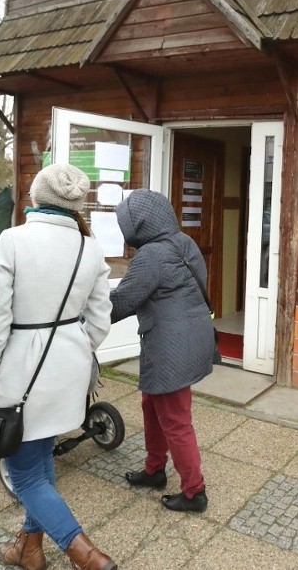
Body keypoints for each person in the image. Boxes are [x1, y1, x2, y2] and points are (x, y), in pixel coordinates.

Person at [0, 163, 116, 570]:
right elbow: (100, 317)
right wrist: (77, 346)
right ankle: (29, 550)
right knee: (41, 456)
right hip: (68, 367)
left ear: (37, 197)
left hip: (20, 368)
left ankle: (84, 553)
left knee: (24, 475)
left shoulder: (13, 240)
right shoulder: (89, 247)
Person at [110, 189, 214, 513]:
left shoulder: (151, 256)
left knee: (175, 418)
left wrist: (80, 310)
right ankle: (155, 469)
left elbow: (122, 301)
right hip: (192, 337)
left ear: (138, 224)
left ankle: (194, 492)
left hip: (171, 346)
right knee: (151, 402)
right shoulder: (185, 242)